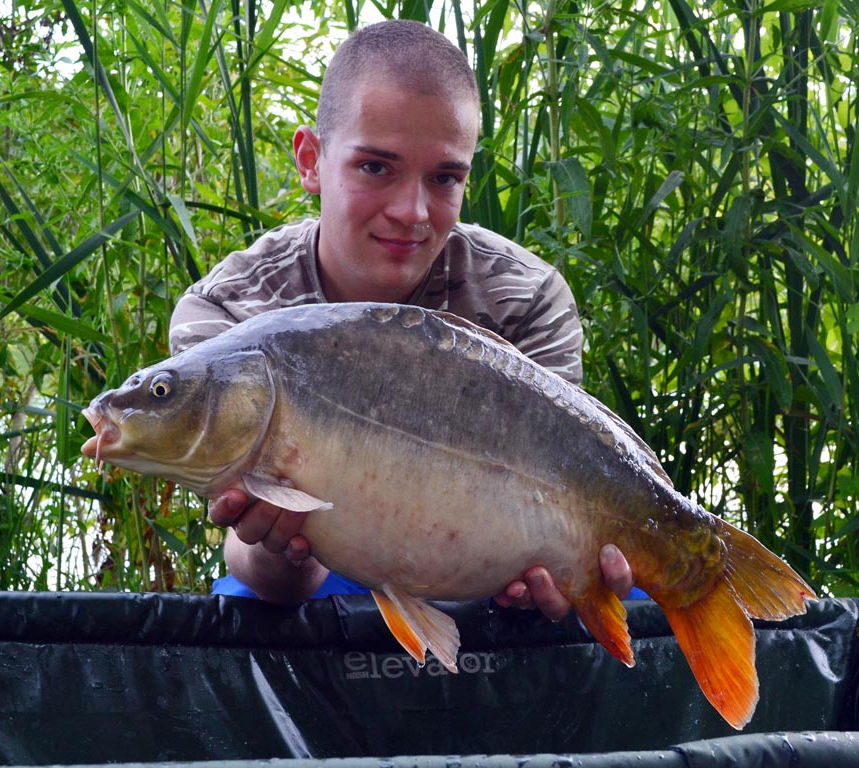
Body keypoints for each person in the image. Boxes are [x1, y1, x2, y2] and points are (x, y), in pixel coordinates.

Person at [169, 19, 639, 618]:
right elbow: (256, 561)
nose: (412, 211)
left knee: (624, 586)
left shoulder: (525, 296)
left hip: (480, 574)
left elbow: (570, 487)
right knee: (252, 609)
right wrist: (286, 549)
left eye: (444, 178)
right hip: (316, 579)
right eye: (375, 167)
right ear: (311, 160)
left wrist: (560, 575)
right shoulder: (230, 315)